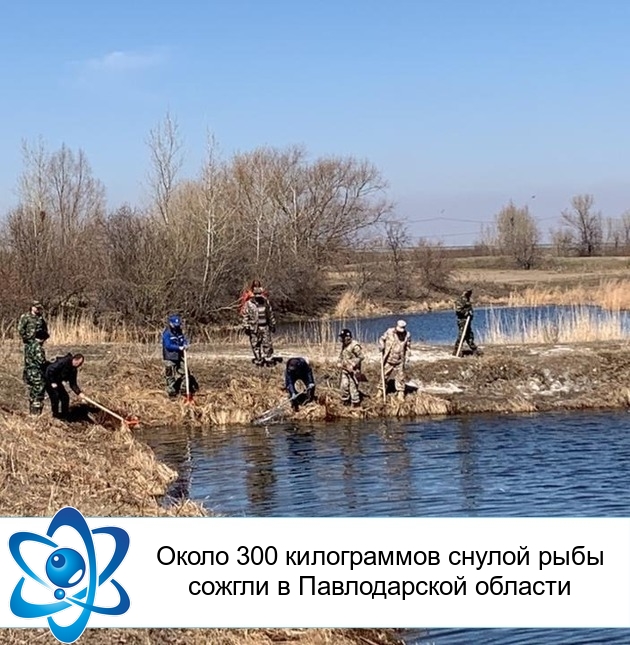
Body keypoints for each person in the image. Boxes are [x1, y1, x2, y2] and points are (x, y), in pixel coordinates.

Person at [18, 300, 50, 415]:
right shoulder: (25, 317)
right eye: (36, 307)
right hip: (30, 343)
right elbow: (20, 329)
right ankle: (35, 412)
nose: (38, 309)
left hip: (37, 342)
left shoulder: (40, 318)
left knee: (34, 364)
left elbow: (45, 330)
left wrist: (41, 339)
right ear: (32, 307)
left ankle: (33, 411)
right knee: (33, 369)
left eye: (39, 308)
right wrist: (28, 339)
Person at [162, 314, 198, 398]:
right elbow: (168, 346)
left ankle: (184, 390)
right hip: (169, 357)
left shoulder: (179, 331)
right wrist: (178, 347)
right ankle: (172, 393)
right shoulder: (166, 333)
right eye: (175, 325)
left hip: (179, 356)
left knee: (186, 373)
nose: (176, 327)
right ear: (170, 324)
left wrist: (185, 344)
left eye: (178, 325)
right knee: (170, 375)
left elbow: (183, 339)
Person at [242, 286, 276, 366]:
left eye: (259, 294)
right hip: (254, 327)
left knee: (267, 344)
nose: (258, 296)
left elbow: (270, 314)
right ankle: (258, 360)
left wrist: (272, 324)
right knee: (255, 344)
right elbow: (245, 315)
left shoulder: (265, 302)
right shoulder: (249, 304)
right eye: (256, 294)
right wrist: (246, 326)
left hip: (265, 326)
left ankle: (269, 360)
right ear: (254, 294)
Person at [44, 353, 85, 419]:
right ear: (75, 360)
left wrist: (79, 393)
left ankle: (64, 416)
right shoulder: (63, 361)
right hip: (49, 378)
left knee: (65, 397)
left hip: (57, 381)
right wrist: (52, 382)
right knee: (55, 396)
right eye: (79, 363)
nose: (80, 365)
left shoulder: (73, 370)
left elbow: (73, 384)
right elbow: (50, 369)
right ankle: (55, 416)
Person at [379, 320, 412, 400]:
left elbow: (408, 347)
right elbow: (382, 339)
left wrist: (407, 356)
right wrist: (381, 345)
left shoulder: (407, 335)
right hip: (389, 359)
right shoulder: (389, 332)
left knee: (400, 377)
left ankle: (400, 393)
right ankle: (380, 390)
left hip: (400, 360)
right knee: (384, 375)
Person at [337, 328, 364, 407]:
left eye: (343, 337)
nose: (341, 339)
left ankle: (355, 404)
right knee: (344, 386)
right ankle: (345, 401)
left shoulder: (355, 346)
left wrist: (353, 364)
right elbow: (341, 355)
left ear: (347, 337)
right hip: (345, 370)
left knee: (353, 387)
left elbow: (361, 357)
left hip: (354, 371)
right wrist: (339, 362)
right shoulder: (344, 345)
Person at [453, 289, 480, 356]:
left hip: (468, 321)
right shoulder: (460, 300)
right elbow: (458, 310)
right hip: (462, 321)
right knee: (462, 335)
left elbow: (469, 308)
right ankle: (457, 350)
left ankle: (474, 349)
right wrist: (466, 313)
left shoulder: (467, 299)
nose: (470, 293)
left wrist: (471, 313)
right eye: (469, 292)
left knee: (469, 335)